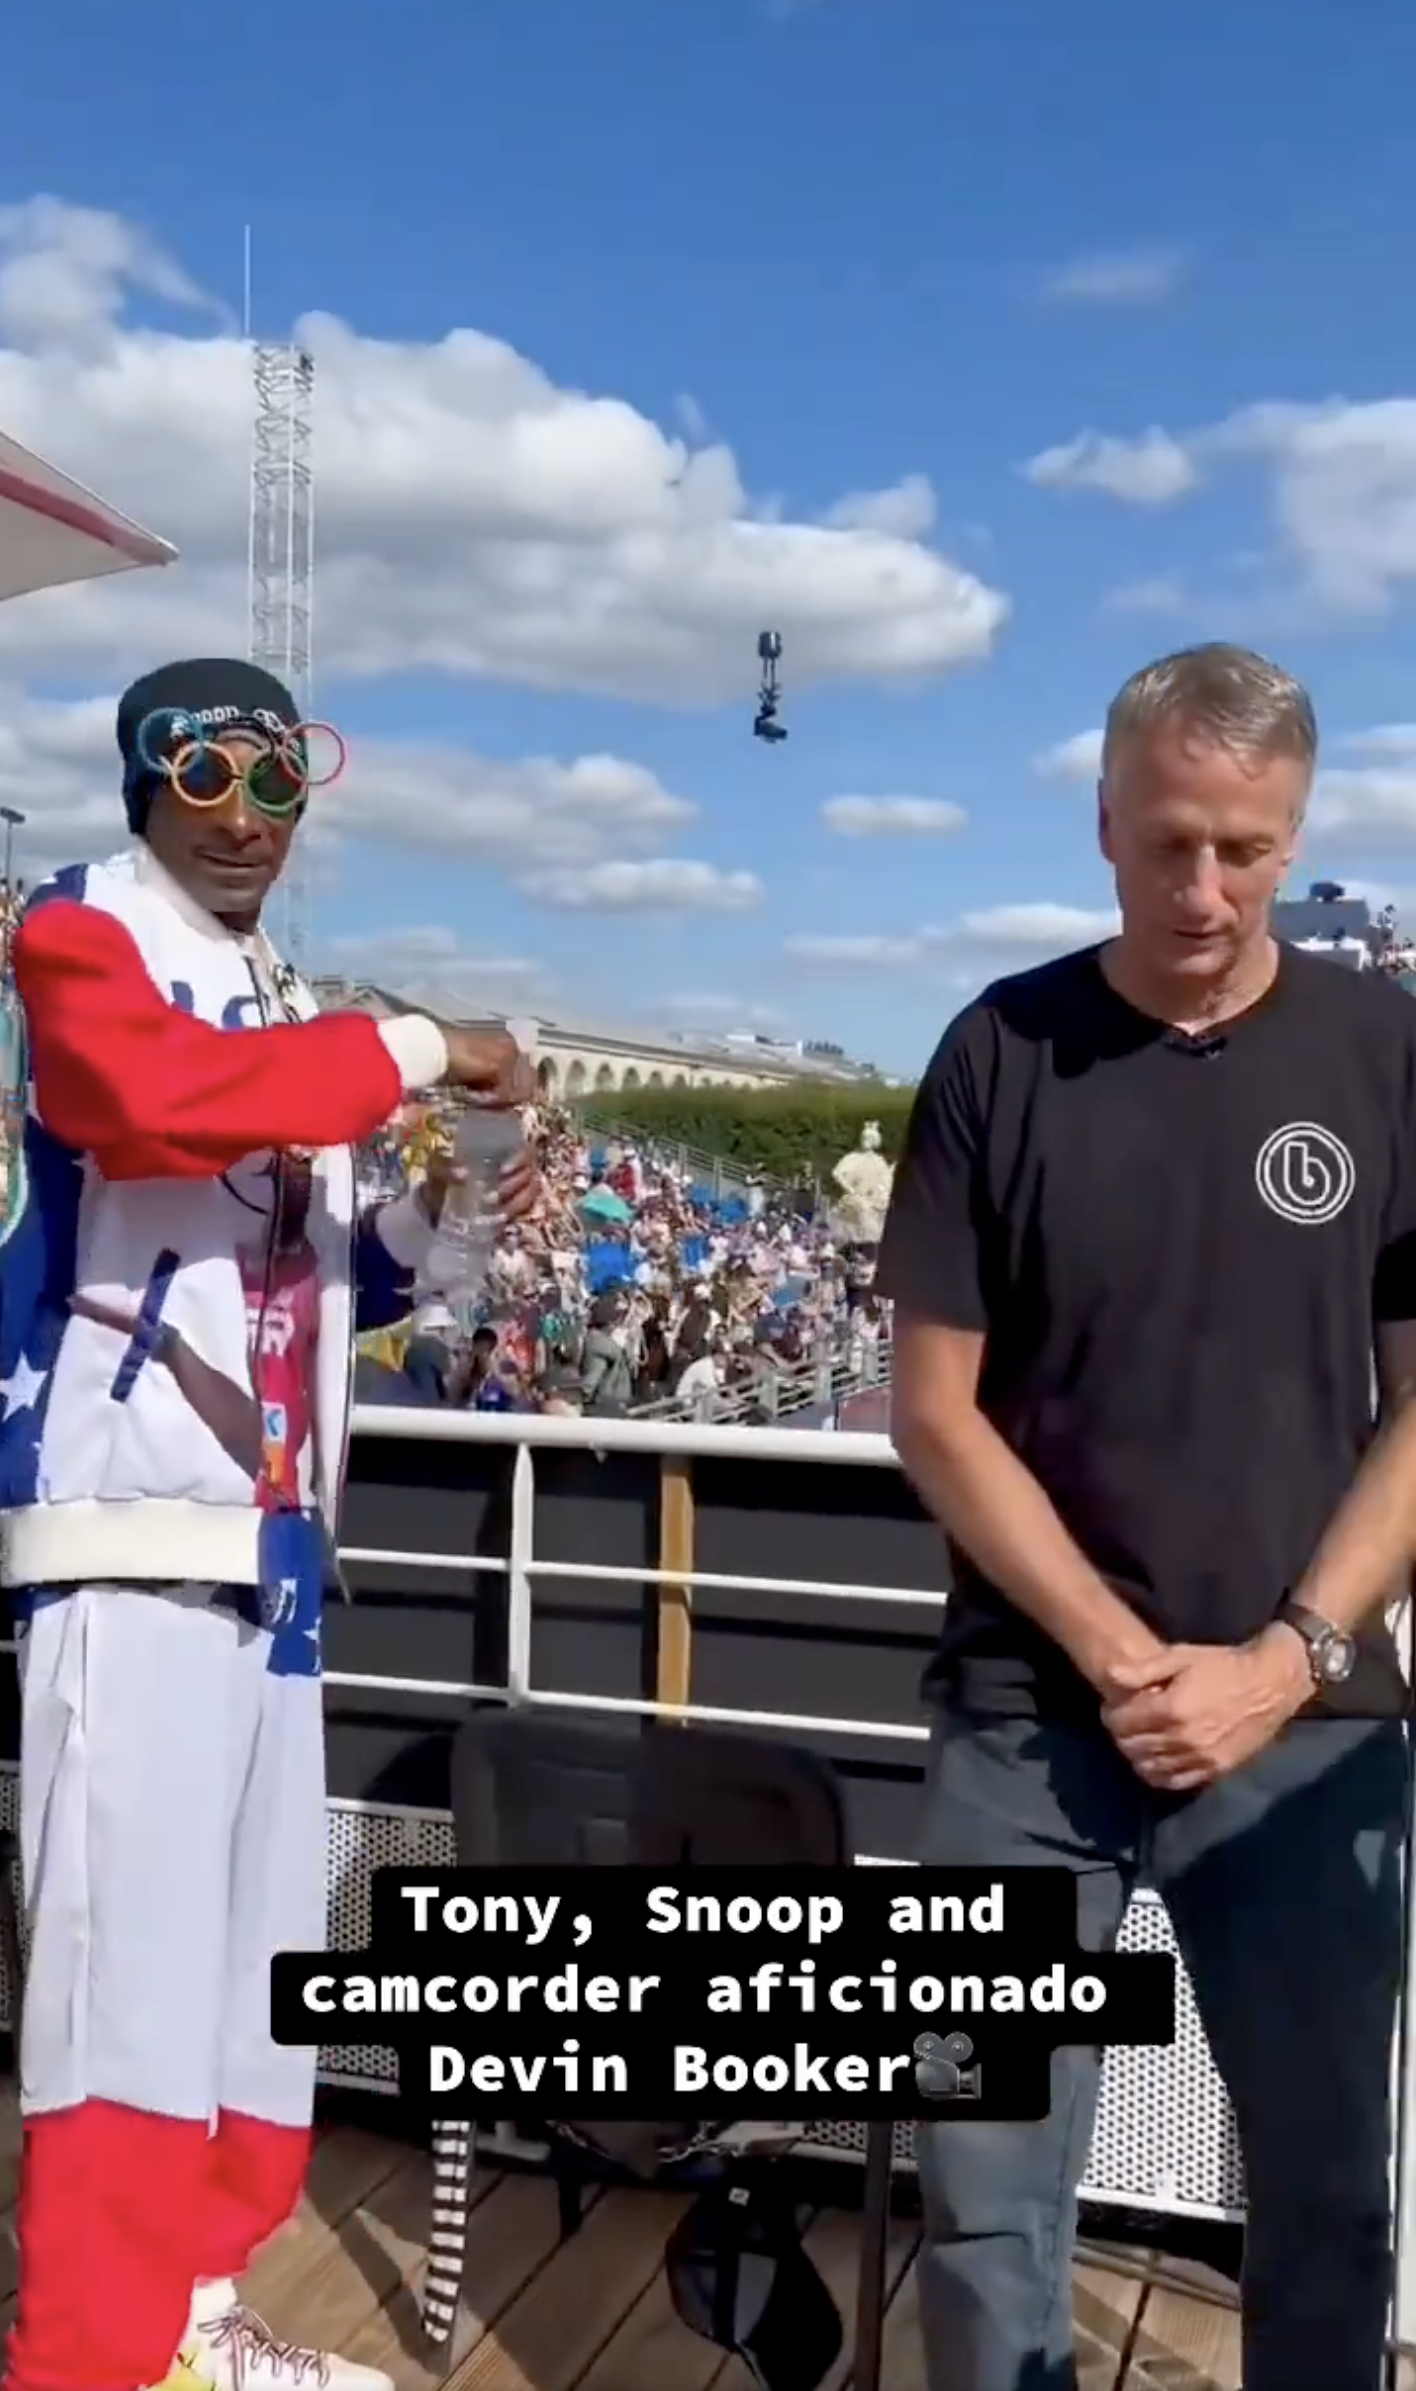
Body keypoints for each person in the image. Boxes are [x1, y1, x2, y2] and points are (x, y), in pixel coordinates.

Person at [874, 643, 1416, 2391]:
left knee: (1329, 2194)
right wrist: (1121, 1656)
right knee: (985, 2195)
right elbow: (935, 1413)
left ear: (1297, 834)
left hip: (1311, 1712)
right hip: (1032, 1717)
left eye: (1246, 848)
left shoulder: (1386, 1052)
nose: (1205, 887)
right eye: (1171, 839)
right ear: (1104, 818)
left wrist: (1283, 1654)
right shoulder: (1000, 1049)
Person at [0, 659, 541, 2391]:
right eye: (209, 769)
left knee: (248, 1984)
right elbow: (134, 1101)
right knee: (117, 2000)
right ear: (146, 777)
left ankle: (190, 2320)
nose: (246, 810)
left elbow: (320, 1269)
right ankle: (89, 2358)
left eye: (281, 775)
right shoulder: (81, 925)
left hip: (273, 1560)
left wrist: (453, 1210)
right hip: (128, 1539)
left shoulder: (268, 980)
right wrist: (412, 1044)